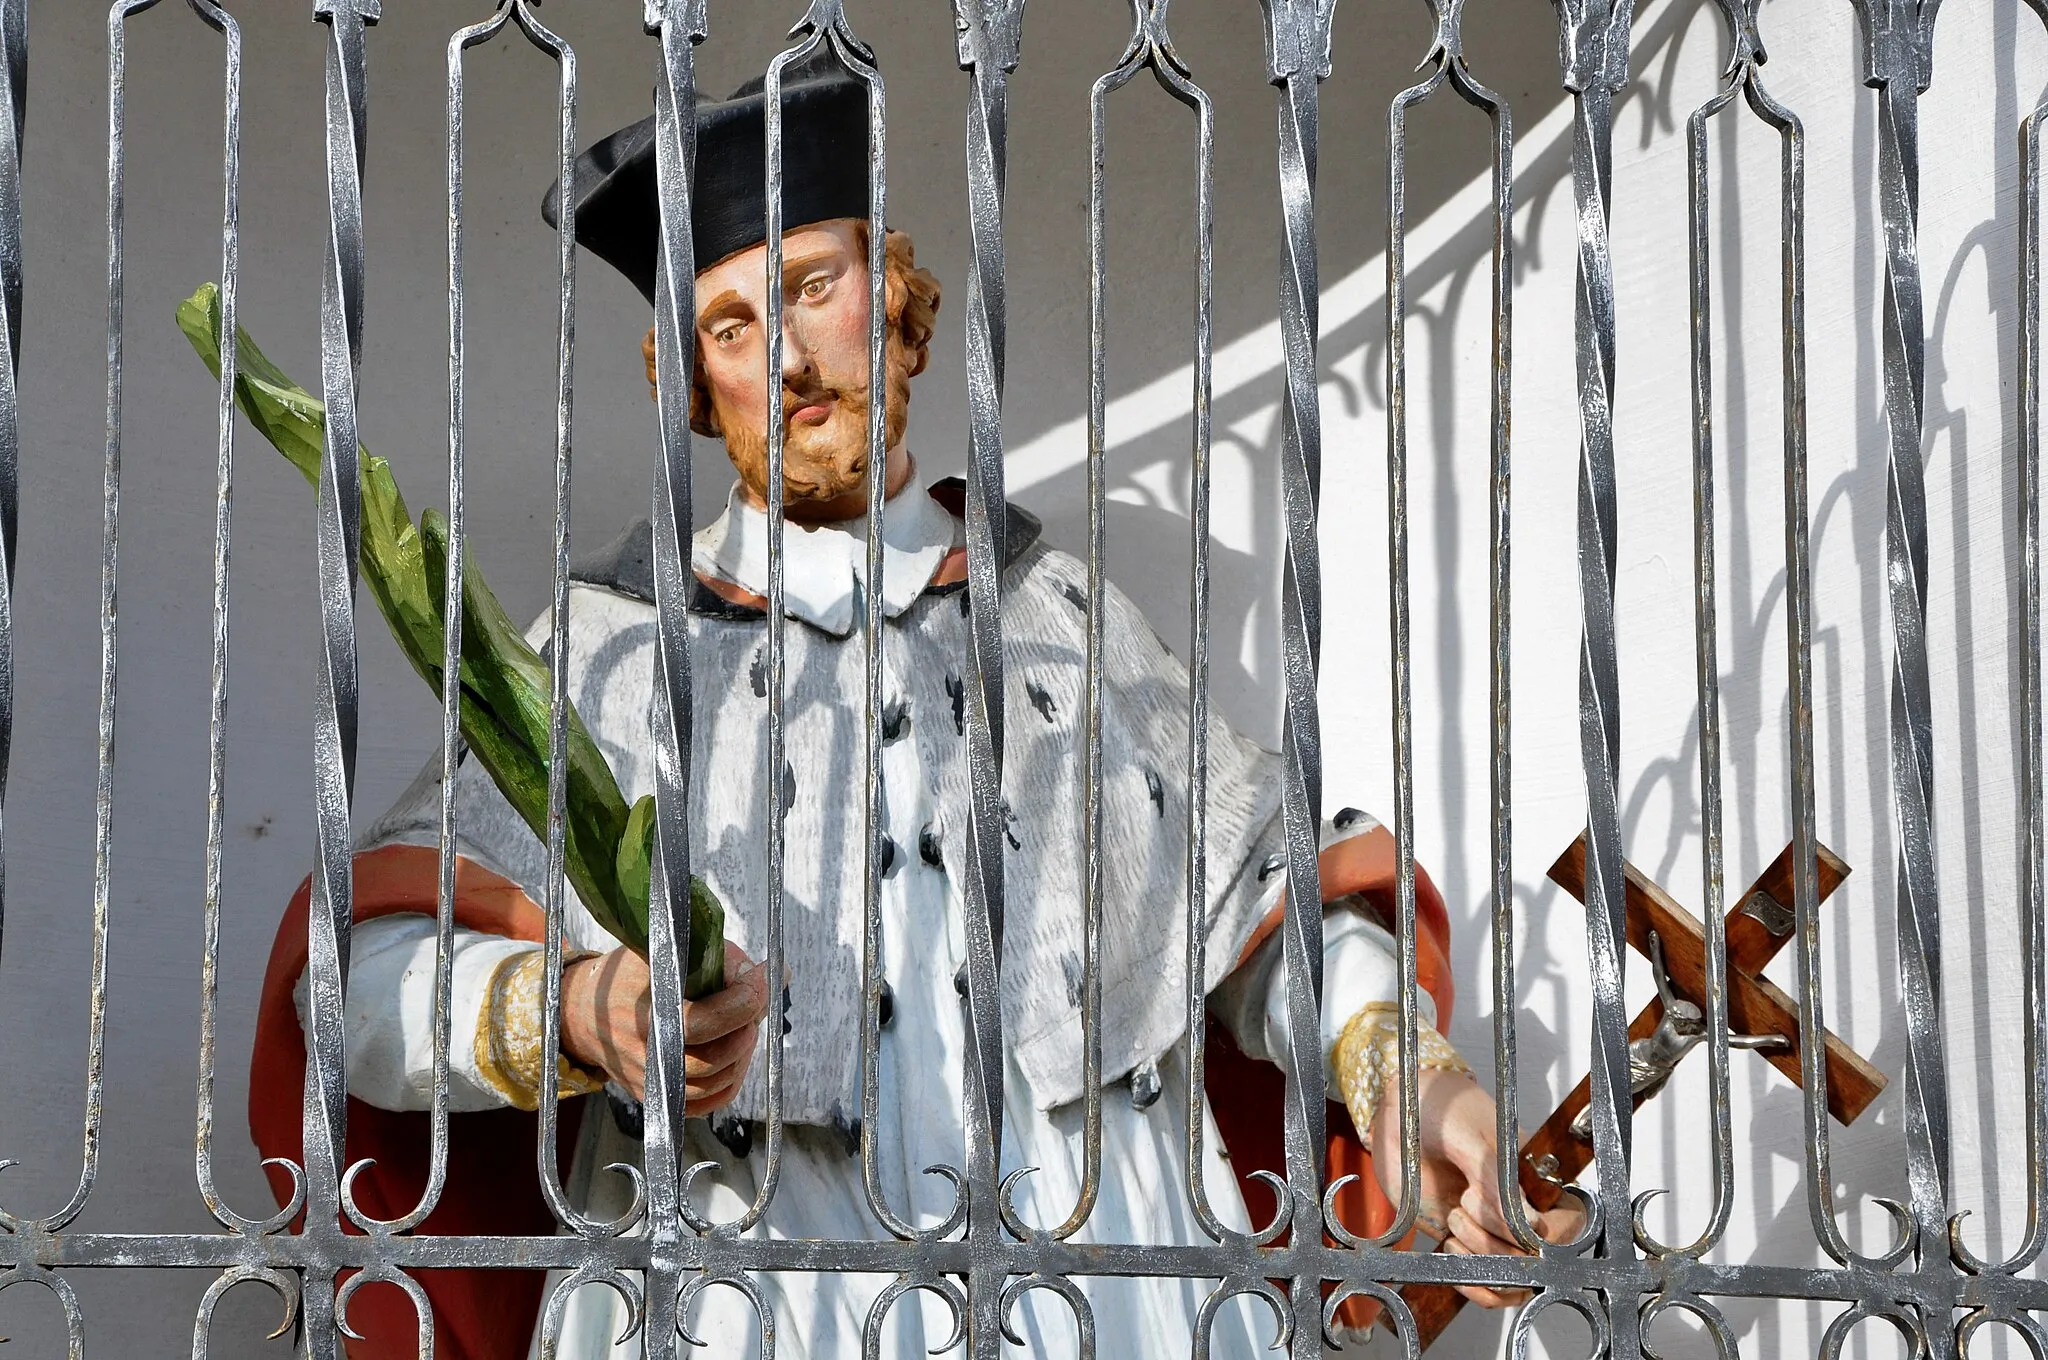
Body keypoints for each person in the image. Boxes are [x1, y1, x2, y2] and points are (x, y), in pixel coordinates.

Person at [247, 48, 1577, 1360]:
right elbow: (356, 981)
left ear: (895, 298)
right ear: (685, 378)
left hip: (1110, 1286)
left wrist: (1419, 1086)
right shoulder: (605, 650)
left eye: (813, 287)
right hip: (739, 1289)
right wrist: (578, 1011)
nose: (786, 356)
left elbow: (1256, 914)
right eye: (729, 325)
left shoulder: (1064, 616)